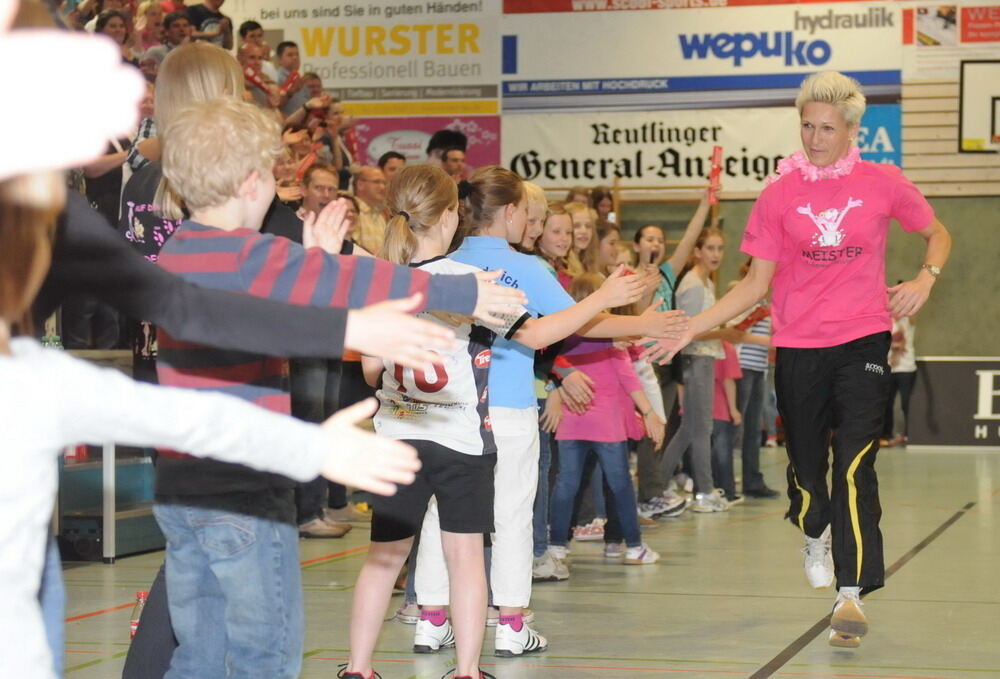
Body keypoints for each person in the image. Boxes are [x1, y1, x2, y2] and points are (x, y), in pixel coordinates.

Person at [0, 178, 420, 679]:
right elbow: (192, 391)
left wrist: (312, 444)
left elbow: (189, 414)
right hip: (230, 494)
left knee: (201, 651)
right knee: (259, 651)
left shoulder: (36, 375)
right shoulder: (35, 379)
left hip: (185, 498)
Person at [654, 71, 952, 648]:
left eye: (827, 129)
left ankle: (851, 592)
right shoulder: (778, 194)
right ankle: (812, 529)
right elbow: (753, 287)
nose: (816, 138)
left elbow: (937, 234)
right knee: (809, 471)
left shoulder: (883, 182)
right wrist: (690, 323)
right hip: (799, 348)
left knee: (855, 465)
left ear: (850, 131)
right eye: (807, 127)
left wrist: (925, 278)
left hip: (864, 340)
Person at [428, 167, 686, 657]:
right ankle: (510, 623)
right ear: (509, 213)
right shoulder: (524, 268)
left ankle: (433, 616)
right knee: (512, 515)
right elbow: (576, 323)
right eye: (528, 214)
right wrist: (643, 319)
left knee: (444, 513)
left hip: (453, 407)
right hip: (506, 405)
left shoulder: (445, 261)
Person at [548, 274, 665, 566]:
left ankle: (558, 546)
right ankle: (633, 546)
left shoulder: (563, 341)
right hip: (607, 426)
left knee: (567, 485)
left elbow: (552, 366)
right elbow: (631, 380)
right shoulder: (612, 341)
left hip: (572, 423)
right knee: (620, 484)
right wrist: (650, 413)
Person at [632, 188, 716, 518]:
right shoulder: (629, 278)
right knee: (650, 430)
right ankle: (649, 494)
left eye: (660, 240)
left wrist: (704, 203)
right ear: (637, 245)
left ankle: (654, 490)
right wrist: (644, 294)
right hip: (644, 363)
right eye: (649, 239)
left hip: (668, 362)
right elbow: (630, 320)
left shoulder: (667, 273)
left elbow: (690, 238)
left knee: (662, 429)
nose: (655, 245)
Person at [881, 313, 917, 447]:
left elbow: (914, 311)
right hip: (889, 367)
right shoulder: (886, 322)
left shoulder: (908, 320)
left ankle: (909, 434)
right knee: (887, 402)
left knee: (906, 402)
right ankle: (886, 434)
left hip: (906, 368)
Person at [352, 165, 389, 254]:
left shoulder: (380, 216)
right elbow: (350, 247)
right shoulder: (351, 211)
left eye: (384, 183)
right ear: (360, 185)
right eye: (377, 182)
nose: (382, 187)